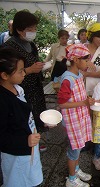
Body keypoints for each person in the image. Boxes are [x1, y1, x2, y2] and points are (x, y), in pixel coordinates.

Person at [0, 47, 43, 187]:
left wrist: (41, 121)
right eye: (20, 71)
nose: (24, 74)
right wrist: (25, 140)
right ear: (5, 75)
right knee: (18, 181)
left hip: (29, 147)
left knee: (30, 177)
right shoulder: (3, 101)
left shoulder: (18, 88)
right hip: (16, 153)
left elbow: (26, 113)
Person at [57, 44, 95, 187]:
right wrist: (83, 103)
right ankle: (71, 179)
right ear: (76, 59)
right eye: (85, 60)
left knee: (78, 146)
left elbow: (79, 97)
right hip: (72, 119)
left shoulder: (78, 74)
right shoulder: (68, 79)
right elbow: (62, 104)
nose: (87, 63)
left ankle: (77, 170)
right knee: (74, 150)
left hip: (79, 117)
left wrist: (87, 101)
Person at [4, 11, 47, 133]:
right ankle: (27, 140)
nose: (33, 31)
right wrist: (29, 70)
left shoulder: (30, 44)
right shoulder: (9, 47)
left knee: (37, 113)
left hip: (35, 87)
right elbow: (7, 73)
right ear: (19, 29)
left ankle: (36, 136)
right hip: (20, 88)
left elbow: (33, 61)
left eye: (35, 28)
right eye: (30, 28)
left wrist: (39, 66)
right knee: (23, 115)